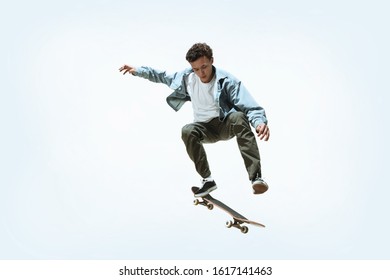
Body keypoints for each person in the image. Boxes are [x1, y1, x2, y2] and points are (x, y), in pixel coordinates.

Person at [119, 43, 270, 197]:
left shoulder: (227, 80)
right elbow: (161, 76)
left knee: (238, 116)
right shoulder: (187, 78)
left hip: (224, 124)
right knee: (187, 130)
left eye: (204, 67)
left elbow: (249, 105)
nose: (201, 73)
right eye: (196, 69)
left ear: (212, 60)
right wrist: (138, 71)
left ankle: (256, 178)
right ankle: (207, 180)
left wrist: (259, 122)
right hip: (204, 129)